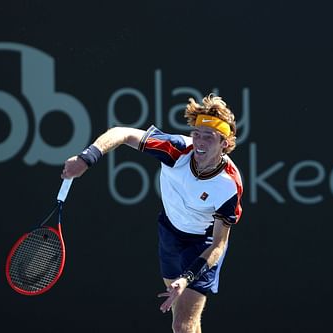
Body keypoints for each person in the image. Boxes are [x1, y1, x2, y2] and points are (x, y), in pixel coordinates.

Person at [61, 93, 243, 333]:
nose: (199, 142)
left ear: (224, 143)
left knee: (182, 326)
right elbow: (122, 133)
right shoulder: (176, 150)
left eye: (208, 137)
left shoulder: (229, 185)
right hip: (169, 232)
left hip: (203, 245)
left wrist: (187, 277)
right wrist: (87, 158)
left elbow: (219, 245)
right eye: (196, 134)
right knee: (183, 318)